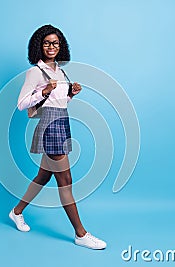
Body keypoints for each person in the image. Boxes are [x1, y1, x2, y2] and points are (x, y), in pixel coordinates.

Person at [10, 24, 106, 250]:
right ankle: (80, 234)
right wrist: (42, 91)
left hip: (61, 122)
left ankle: (16, 212)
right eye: (46, 43)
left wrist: (70, 94)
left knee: (43, 176)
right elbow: (22, 104)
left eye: (55, 43)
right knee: (66, 181)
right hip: (50, 128)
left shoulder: (61, 72)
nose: (51, 47)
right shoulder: (35, 72)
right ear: (39, 46)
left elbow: (58, 104)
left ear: (60, 46)